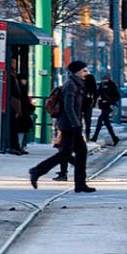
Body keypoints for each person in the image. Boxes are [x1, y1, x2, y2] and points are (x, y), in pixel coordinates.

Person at [29, 61, 96, 193]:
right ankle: (37, 171)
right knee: (66, 154)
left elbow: (81, 106)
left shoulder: (78, 85)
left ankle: (80, 184)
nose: (87, 73)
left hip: (72, 124)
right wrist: (75, 123)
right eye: (84, 71)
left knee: (80, 152)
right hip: (69, 125)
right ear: (77, 72)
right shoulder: (71, 85)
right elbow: (69, 107)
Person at [92, 75, 120, 146]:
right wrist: (96, 101)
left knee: (100, 120)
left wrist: (110, 101)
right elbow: (98, 93)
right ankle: (114, 138)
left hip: (109, 105)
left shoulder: (112, 85)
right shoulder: (102, 85)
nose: (105, 81)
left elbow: (117, 96)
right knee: (107, 123)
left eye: (106, 79)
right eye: (104, 79)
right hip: (103, 105)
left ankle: (95, 137)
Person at [82, 73, 98, 141]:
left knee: (79, 120)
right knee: (88, 121)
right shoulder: (93, 86)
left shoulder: (83, 84)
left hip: (82, 104)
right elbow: (95, 95)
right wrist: (93, 103)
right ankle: (87, 136)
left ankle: (82, 135)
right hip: (89, 105)